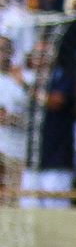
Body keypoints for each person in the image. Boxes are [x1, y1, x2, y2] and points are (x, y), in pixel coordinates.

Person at [20, 39, 76, 209]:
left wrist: (24, 86)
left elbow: (55, 102)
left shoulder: (64, 78)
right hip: (32, 162)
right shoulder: (32, 81)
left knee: (56, 214)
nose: (40, 58)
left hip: (57, 163)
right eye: (37, 54)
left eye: (44, 54)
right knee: (28, 214)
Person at [0, 37, 26, 197]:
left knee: (12, 197)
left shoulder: (22, 79)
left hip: (14, 150)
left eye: (3, 49)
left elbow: (32, 115)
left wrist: (12, 118)